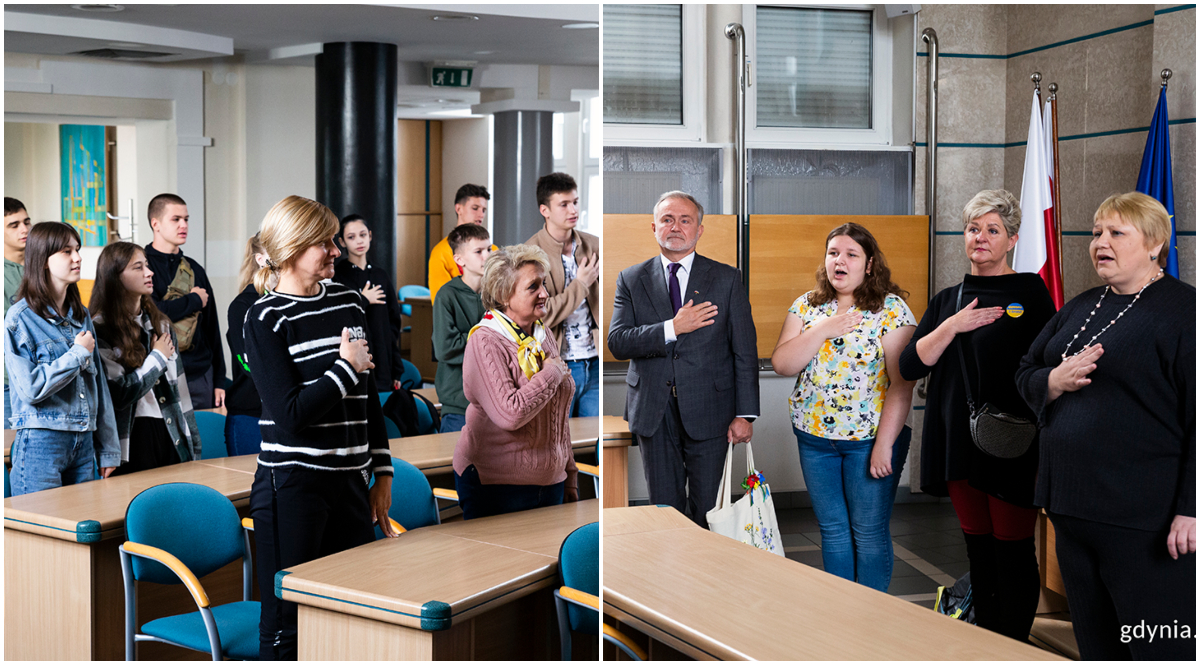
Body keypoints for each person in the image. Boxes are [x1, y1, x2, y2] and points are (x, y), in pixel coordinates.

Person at [1016, 192, 1195, 660]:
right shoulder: (1082, 305)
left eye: (1117, 233)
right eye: (1097, 232)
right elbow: (1025, 370)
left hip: (1144, 518)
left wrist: (1191, 508)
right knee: (1096, 643)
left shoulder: (1184, 312)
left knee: (1154, 644)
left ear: (1154, 244)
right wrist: (1052, 381)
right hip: (1071, 507)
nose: (1101, 242)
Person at [244, 195, 397, 661]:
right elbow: (290, 416)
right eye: (323, 243)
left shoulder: (350, 302)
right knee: (288, 626)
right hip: (293, 486)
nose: (335, 250)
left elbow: (367, 396)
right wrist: (344, 369)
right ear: (291, 250)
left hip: (349, 481)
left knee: (349, 607)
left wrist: (382, 472)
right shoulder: (265, 317)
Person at [898, 190, 1054, 640]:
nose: (980, 237)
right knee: (978, 551)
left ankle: (1014, 645)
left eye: (992, 230)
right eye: (973, 228)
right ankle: (985, 642)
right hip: (957, 441)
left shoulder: (1031, 293)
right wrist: (951, 327)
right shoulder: (949, 299)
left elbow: (1048, 365)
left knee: (1012, 550)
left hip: (1010, 443)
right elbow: (910, 366)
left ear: (1012, 240)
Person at [770, 222, 916, 592]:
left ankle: (870, 617)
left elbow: (902, 385)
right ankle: (841, 615)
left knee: (867, 533)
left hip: (868, 442)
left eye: (852, 254)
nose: (841, 261)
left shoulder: (891, 309)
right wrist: (822, 329)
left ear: (869, 265)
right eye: (834, 252)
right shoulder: (808, 305)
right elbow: (784, 364)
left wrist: (885, 446)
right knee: (833, 531)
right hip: (815, 439)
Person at [608, 191, 759, 528]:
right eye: (667, 219)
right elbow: (618, 342)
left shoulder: (726, 278)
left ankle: (704, 578)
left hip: (712, 410)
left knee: (709, 509)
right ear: (654, 227)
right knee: (665, 511)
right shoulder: (631, 279)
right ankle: (668, 577)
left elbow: (744, 350)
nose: (675, 227)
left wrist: (745, 414)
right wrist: (671, 328)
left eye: (684, 220)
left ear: (699, 229)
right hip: (653, 411)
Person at [452, 244, 577, 519]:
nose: (545, 293)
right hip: (497, 484)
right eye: (533, 287)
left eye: (544, 283)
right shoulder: (485, 339)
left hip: (551, 480)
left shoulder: (542, 334)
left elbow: (558, 415)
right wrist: (552, 374)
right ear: (504, 295)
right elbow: (510, 413)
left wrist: (569, 472)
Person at [3, 222, 119, 494]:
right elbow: (30, 389)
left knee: (80, 528)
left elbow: (98, 386)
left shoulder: (82, 316)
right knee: (40, 532)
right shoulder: (19, 318)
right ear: (43, 261)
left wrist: (109, 448)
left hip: (83, 442)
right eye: (67, 251)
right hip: (41, 443)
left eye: (77, 249)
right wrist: (76, 354)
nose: (77, 257)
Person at [90, 242, 201, 475]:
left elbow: (181, 393)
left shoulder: (161, 324)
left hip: (168, 429)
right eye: (138, 267)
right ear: (115, 276)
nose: (149, 273)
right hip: (132, 437)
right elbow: (119, 395)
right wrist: (158, 356)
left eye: (147, 266)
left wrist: (193, 446)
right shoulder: (101, 328)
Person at [527, 172, 600, 418]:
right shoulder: (529, 254)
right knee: (560, 443)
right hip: (557, 364)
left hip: (595, 359)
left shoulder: (595, 246)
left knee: (595, 443)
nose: (573, 210)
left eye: (576, 202)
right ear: (544, 210)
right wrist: (581, 284)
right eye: (564, 204)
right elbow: (538, 316)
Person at [143, 193, 226, 410]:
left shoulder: (195, 269)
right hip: (157, 372)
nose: (184, 225)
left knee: (205, 442)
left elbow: (211, 328)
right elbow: (151, 312)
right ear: (156, 224)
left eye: (186, 219)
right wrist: (194, 301)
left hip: (199, 375)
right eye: (176, 219)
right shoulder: (140, 265)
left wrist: (219, 380)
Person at [332, 214, 405, 391]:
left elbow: (392, 325)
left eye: (363, 235)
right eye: (351, 237)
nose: (359, 241)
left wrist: (396, 369)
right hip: (353, 360)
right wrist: (363, 299)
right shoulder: (338, 275)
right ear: (342, 242)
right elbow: (340, 316)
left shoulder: (381, 275)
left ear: (370, 236)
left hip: (382, 360)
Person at [432, 223, 491, 433]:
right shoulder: (446, 295)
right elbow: (445, 348)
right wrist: (486, 334)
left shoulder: (497, 293)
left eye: (489, 249)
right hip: (459, 406)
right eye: (478, 251)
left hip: (496, 404)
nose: (487, 256)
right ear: (459, 260)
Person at [224, 234, 272, 456]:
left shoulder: (286, 300)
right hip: (250, 415)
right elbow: (248, 364)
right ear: (262, 260)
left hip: (284, 413)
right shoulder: (242, 306)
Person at [428, 183, 495, 302]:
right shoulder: (441, 253)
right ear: (458, 209)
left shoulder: (494, 250)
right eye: (475, 208)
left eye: (484, 210)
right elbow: (441, 301)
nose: (481, 215)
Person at [4, 197, 32, 425]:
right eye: (13, 225)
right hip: (8, 382)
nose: (24, 229)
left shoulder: (44, 265)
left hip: (47, 379)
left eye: (26, 222)